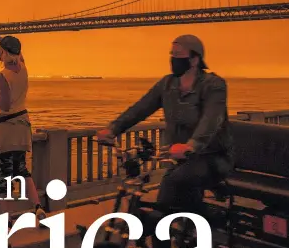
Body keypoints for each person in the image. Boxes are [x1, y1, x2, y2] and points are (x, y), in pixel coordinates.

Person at [97, 34, 233, 219]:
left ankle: (210, 224)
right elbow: (140, 108)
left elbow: (211, 119)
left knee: (166, 199)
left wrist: (192, 145)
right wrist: (113, 129)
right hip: (177, 158)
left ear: (194, 59)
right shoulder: (167, 84)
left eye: (179, 55)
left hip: (210, 157)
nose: (173, 59)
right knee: (167, 205)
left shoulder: (214, 85)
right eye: (172, 54)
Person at [0, 34, 47, 222]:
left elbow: (4, 104)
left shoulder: (2, 75)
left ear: (2, 52)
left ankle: (7, 218)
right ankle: (37, 208)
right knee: (21, 169)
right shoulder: (24, 69)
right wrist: (2, 39)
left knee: (2, 175)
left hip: (5, 129)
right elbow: (20, 54)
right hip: (22, 126)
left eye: (0, 50)